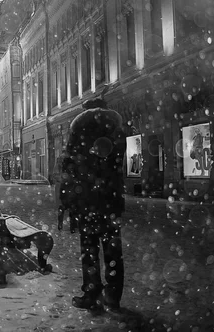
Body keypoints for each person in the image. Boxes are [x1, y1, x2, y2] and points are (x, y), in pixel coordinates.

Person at [60, 97, 126, 313]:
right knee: (113, 251)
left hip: (87, 199)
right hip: (111, 199)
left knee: (89, 250)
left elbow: (68, 164)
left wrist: (69, 198)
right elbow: (117, 162)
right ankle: (113, 295)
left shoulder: (78, 127)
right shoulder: (117, 127)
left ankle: (92, 293)